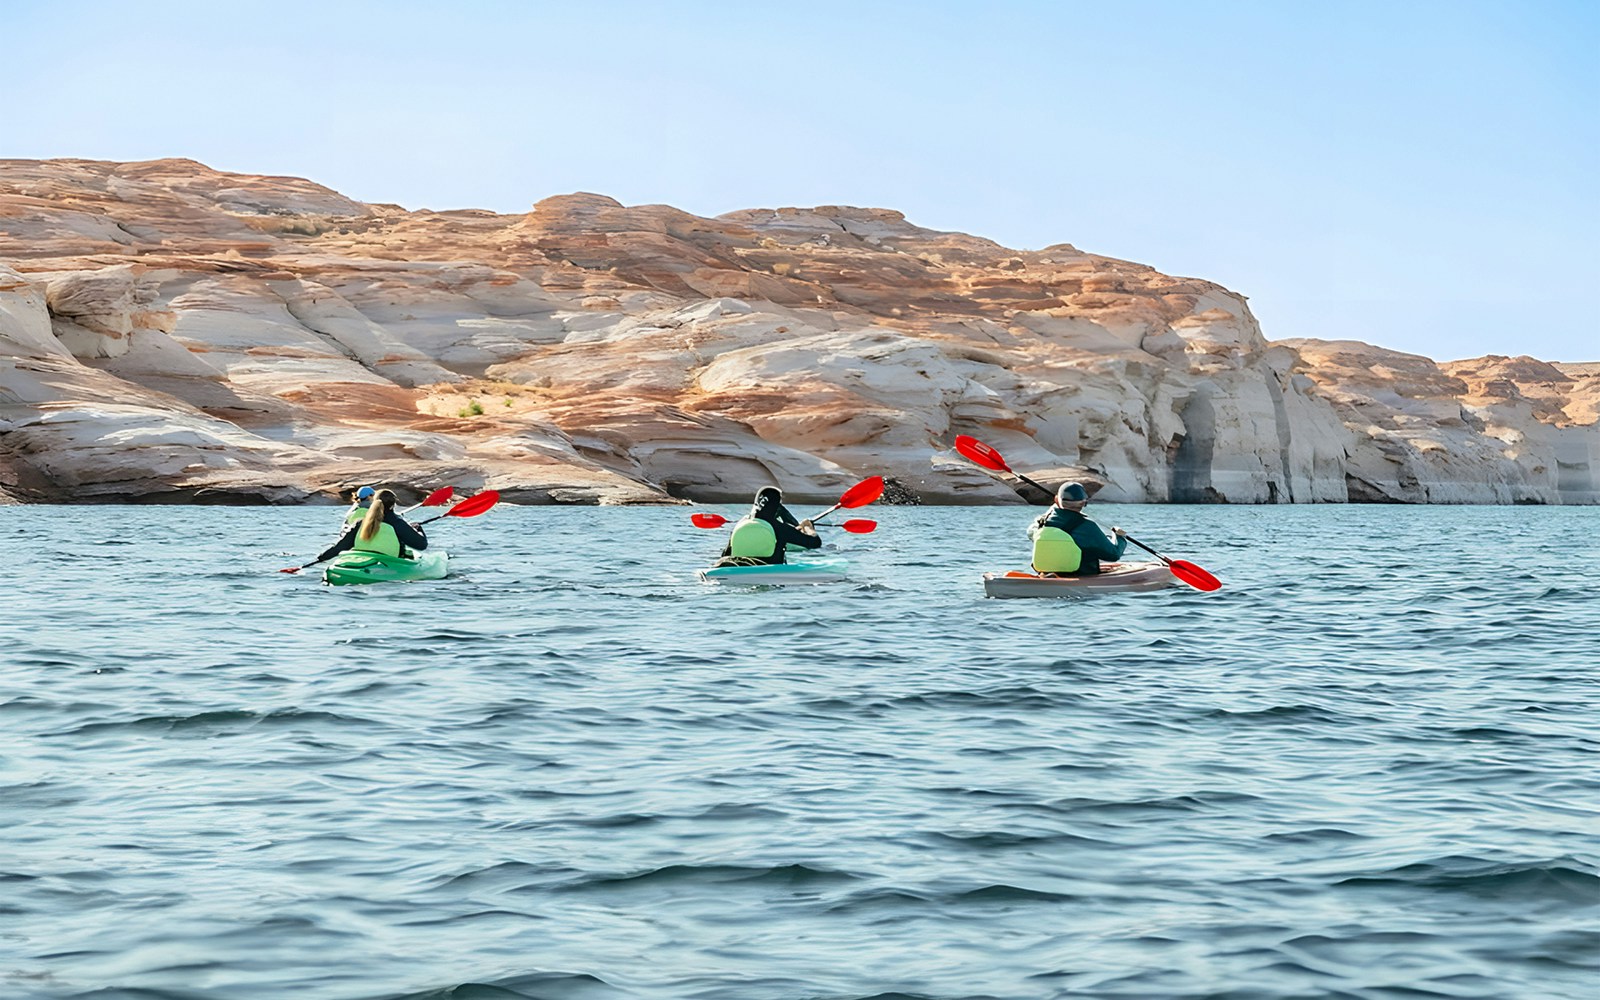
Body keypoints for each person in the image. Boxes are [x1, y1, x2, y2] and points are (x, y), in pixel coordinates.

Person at [1028, 482, 1127, 576]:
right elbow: (1113, 554)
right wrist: (1119, 537)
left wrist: (1055, 507)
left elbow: (1030, 533)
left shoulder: (1040, 523)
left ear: (1057, 500)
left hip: (1046, 574)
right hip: (1082, 576)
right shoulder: (1087, 527)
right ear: (1084, 503)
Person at [715, 486, 822, 566]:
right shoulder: (777, 527)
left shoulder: (741, 524)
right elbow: (815, 542)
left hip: (735, 569)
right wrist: (808, 527)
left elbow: (725, 554)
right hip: (769, 570)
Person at [318, 488, 429, 563]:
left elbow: (341, 546)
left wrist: (322, 557)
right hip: (389, 562)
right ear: (392, 505)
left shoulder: (361, 522)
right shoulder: (397, 523)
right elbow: (422, 545)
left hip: (362, 559)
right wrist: (419, 529)